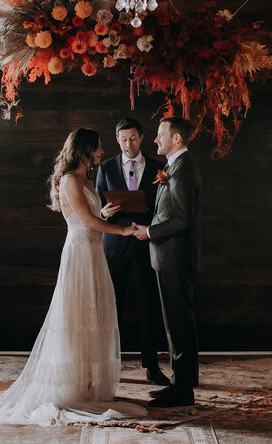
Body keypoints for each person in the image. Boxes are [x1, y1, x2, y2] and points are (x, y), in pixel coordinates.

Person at [0, 128, 146, 426]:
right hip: (79, 254)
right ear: (85, 151)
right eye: (98, 148)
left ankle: (88, 385)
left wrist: (107, 213)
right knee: (77, 317)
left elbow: (91, 216)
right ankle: (70, 386)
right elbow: (85, 221)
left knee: (94, 316)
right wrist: (123, 230)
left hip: (93, 253)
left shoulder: (86, 178)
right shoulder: (71, 179)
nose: (102, 152)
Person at [133, 117, 202, 408]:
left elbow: (183, 219)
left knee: (179, 323)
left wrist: (148, 232)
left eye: (161, 135)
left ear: (176, 138)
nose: (156, 140)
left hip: (174, 257)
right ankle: (179, 383)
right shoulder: (175, 166)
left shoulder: (183, 169)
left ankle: (183, 390)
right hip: (167, 257)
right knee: (174, 323)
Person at [96, 118, 169, 386]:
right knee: (110, 307)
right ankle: (106, 365)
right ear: (117, 140)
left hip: (145, 245)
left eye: (133, 138)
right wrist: (104, 212)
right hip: (114, 246)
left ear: (142, 138)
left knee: (148, 307)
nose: (129, 144)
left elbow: (164, 208)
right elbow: (97, 207)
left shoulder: (159, 168)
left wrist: (148, 225)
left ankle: (152, 366)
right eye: (124, 139)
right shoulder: (104, 168)